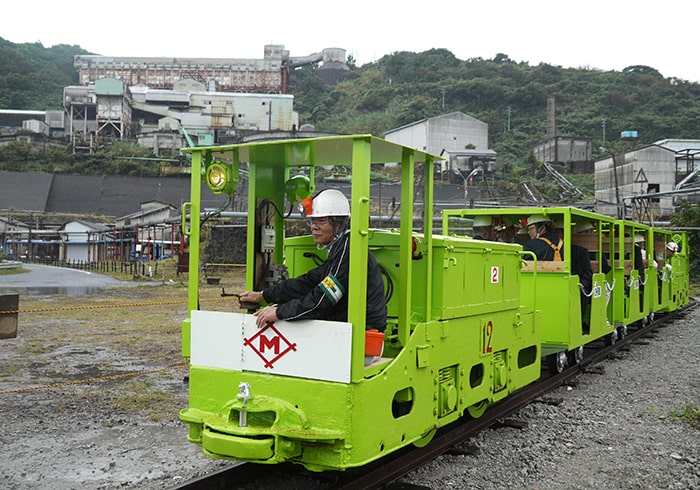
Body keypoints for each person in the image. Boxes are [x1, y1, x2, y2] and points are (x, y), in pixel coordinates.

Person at [239, 189, 388, 334]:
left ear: (338, 223)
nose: (314, 227)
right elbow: (308, 282)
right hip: (349, 328)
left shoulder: (347, 251)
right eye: (312, 221)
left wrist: (279, 312)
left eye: (321, 221)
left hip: (364, 332)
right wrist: (264, 295)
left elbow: (322, 299)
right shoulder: (341, 247)